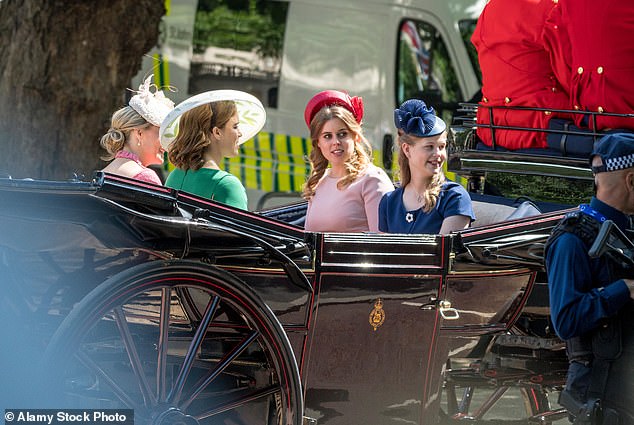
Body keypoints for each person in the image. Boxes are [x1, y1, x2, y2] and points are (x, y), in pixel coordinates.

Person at [545, 133, 634, 424]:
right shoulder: (572, 239)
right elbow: (566, 320)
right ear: (631, 181)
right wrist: (623, 290)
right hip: (600, 400)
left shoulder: (626, 233)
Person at [471, 0, 571, 151]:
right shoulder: (551, 8)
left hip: (493, 128)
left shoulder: (489, 8)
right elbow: (570, 78)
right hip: (542, 126)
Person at [302, 90, 394, 232]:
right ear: (318, 143)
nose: (336, 142)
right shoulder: (319, 181)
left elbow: (383, 243)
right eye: (327, 136)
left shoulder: (372, 179)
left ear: (355, 136)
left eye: (342, 134)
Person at [379, 99, 475, 234]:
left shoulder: (454, 197)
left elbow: (443, 254)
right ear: (407, 150)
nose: (438, 154)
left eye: (442, 147)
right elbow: (383, 253)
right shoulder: (389, 201)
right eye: (429, 147)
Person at [160, 90, 266, 210]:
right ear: (217, 132)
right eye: (235, 126)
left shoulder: (174, 176)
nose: (240, 133)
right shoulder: (227, 185)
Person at [100, 75, 174, 184]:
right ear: (139, 133)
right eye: (161, 132)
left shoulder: (103, 174)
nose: (166, 141)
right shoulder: (145, 177)